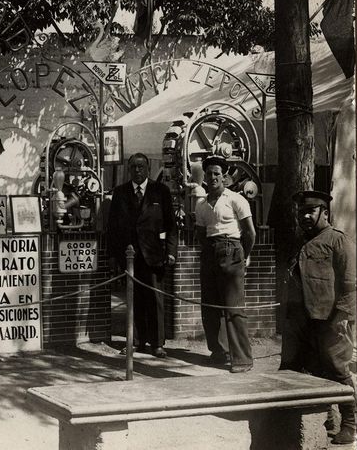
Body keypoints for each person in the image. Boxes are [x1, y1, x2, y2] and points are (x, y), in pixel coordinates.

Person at [279, 190, 357, 445]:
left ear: (325, 212)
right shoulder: (301, 242)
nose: (304, 216)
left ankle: (350, 424)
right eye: (301, 212)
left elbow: (350, 283)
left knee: (338, 370)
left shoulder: (339, 241)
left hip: (332, 319)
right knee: (306, 371)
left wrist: (344, 316)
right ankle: (327, 420)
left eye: (310, 211)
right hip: (302, 321)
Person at [107, 153, 178, 358]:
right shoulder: (120, 193)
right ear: (129, 170)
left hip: (154, 255)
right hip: (130, 257)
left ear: (148, 168)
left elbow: (171, 226)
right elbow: (112, 227)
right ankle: (136, 341)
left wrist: (171, 252)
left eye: (141, 167)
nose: (137, 171)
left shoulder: (160, 191)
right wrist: (113, 255)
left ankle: (157, 343)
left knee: (155, 299)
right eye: (133, 167)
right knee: (133, 298)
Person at [194, 156, 255, 373]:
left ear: (225, 176)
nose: (212, 177)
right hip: (210, 253)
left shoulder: (236, 199)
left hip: (232, 251)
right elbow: (201, 234)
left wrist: (243, 257)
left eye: (217, 173)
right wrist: (210, 252)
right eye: (209, 173)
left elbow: (250, 233)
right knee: (210, 307)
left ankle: (242, 359)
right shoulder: (201, 205)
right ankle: (218, 352)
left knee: (233, 307)